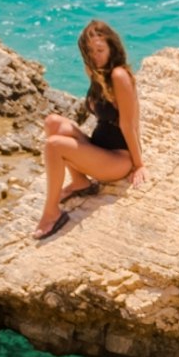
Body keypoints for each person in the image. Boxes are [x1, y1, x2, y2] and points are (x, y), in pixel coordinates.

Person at [36, 18, 143, 239]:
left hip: (117, 160)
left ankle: (51, 213)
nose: (95, 56)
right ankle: (80, 181)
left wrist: (138, 164)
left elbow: (129, 123)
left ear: (112, 47)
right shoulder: (96, 73)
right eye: (90, 51)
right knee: (53, 122)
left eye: (100, 50)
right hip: (99, 149)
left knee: (54, 146)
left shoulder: (119, 75)